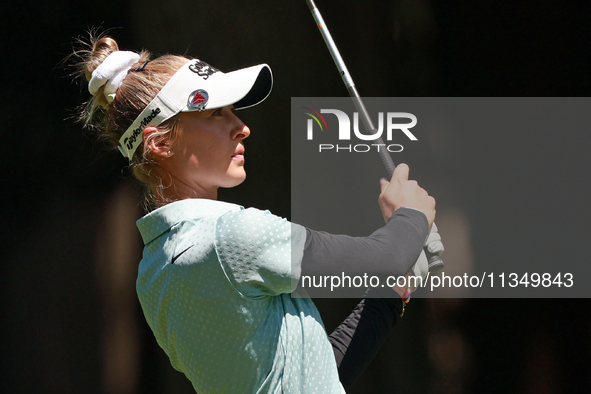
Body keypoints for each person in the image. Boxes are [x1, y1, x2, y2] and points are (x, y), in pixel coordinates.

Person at [73, 33, 439, 393]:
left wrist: (390, 293)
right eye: (217, 114)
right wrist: (410, 216)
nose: (242, 128)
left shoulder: (152, 274)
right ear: (160, 143)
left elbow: (311, 378)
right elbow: (385, 256)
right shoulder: (233, 236)